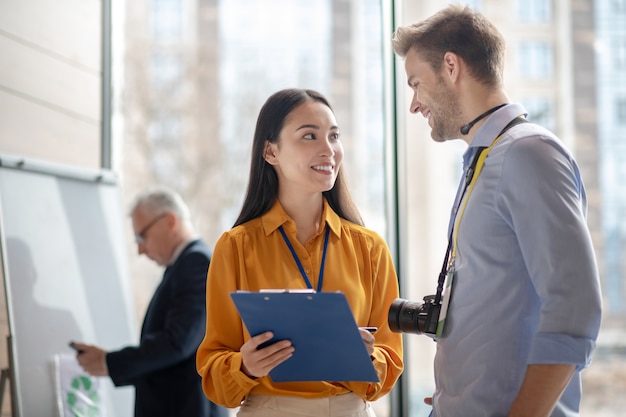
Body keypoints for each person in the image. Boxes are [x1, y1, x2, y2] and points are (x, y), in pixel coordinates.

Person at [391, 5, 603, 417]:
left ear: (451, 66)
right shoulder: (486, 159)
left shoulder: (527, 153)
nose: (414, 105)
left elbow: (575, 307)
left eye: (416, 83)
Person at [196, 88, 403, 417]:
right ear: (270, 152)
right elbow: (214, 371)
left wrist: (367, 359)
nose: (329, 150)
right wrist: (246, 366)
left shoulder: (370, 248)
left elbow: (390, 364)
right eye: (309, 136)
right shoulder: (235, 247)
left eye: (334, 136)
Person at [72, 188, 228, 417]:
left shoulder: (196, 263)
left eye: (141, 236)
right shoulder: (183, 265)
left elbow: (178, 342)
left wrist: (111, 362)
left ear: (169, 221)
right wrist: (111, 363)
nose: (140, 250)